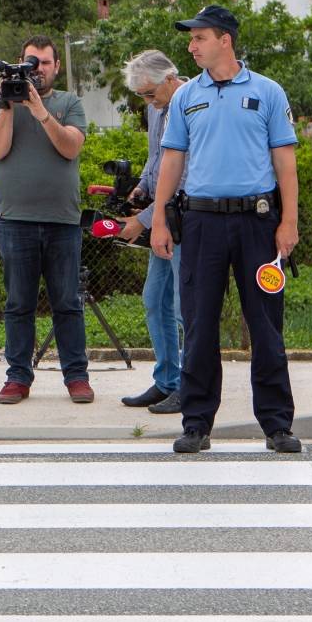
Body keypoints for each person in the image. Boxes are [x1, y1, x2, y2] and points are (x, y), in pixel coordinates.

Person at [150, 5, 302, 455]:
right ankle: (196, 423)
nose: (192, 46)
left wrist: (288, 221)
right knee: (198, 325)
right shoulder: (184, 97)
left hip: (257, 223)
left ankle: (277, 425)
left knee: (266, 326)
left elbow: (285, 161)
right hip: (201, 224)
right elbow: (172, 160)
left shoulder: (268, 92)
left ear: (225, 40)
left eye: (199, 38)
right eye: (191, 38)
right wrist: (159, 217)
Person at [0, 35, 91, 406]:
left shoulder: (68, 103)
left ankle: (76, 376)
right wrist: (9, 106)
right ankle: (17, 378)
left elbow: (71, 147)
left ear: (56, 67)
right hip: (14, 221)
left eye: (44, 63)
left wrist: (41, 111)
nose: (38, 69)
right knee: (18, 304)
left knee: (67, 303)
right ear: (19, 61)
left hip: (62, 221)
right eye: (31, 61)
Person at [117, 50, 185, 414]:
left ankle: (190, 386)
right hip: (160, 218)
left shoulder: (192, 104)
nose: (148, 101)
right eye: (142, 95)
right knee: (155, 301)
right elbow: (156, 159)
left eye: (149, 93)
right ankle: (167, 381)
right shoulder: (155, 108)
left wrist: (142, 220)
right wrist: (141, 187)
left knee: (183, 309)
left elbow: (182, 174)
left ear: (170, 78)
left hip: (182, 219)